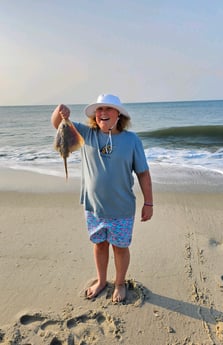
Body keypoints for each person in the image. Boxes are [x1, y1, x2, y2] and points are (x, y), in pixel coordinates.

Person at [51, 94, 153, 303]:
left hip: (122, 207)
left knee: (120, 247)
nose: (103, 113)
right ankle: (101, 280)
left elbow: (143, 173)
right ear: (94, 115)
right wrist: (60, 110)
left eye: (108, 109)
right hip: (93, 207)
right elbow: (57, 124)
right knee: (99, 245)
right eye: (99, 109)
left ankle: (120, 283)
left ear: (119, 115)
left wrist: (148, 203)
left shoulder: (131, 140)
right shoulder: (87, 134)